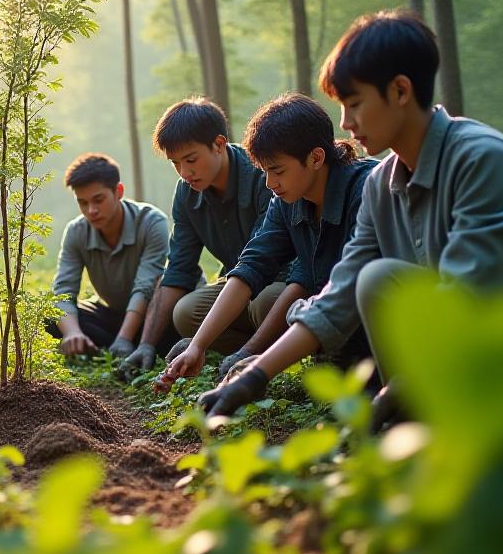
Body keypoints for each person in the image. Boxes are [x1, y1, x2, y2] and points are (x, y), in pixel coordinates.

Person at [197, 10, 503, 424]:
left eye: (354, 105)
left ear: (401, 91)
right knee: (374, 279)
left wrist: (409, 383)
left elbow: (477, 297)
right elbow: (340, 293)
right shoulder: (379, 185)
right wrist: (256, 373)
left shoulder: (481, 159)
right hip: (457, 362)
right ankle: (423, 427)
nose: (346, 124)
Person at [156, 92, 378, 393]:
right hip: (324, 319)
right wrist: (198, 346)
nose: (270, 183)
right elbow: (252, 265)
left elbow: (340, 286)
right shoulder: (287, 199)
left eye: (277, 171)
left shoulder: (365, 190)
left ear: (315, 158)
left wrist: (252, 360)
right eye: (265, 172)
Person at [116, 98, 286, 378]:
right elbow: (179, 270)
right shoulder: (186, 193)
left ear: (218, 144)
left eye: (191, 160)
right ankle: (237, 351)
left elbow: (262, 261)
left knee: (265, 301)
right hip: (235, 288)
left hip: (279, 284)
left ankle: (262, 355)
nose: (184, 173)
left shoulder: (262, 176)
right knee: (185, 313)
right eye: (175, 163)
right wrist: (146, 344)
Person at [46, 153, 171, 360]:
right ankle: (113, 344)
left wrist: (123, 338)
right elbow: (63, 291)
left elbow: (145, 287)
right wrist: (72, 333)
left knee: (174, 322)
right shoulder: (76, 231)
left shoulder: (151, 222)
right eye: (82, 203)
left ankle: (126, 342)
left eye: (98, 200)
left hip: (154, 315)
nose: (91, 210)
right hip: (115, 314)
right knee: (51, 316)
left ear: (118, 191)